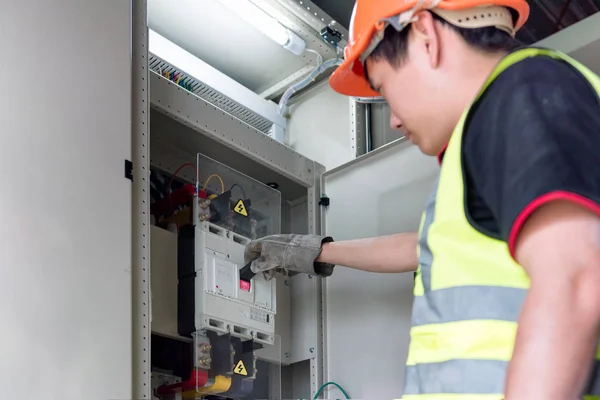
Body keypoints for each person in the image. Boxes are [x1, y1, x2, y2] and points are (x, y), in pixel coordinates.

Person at [244, 0, 600, 398]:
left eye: (382, 87)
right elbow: (427, 248)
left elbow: (575, 276)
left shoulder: (524, 90)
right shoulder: (491, 128)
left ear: (426, 36)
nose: (393, 119)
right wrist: (315, 251)